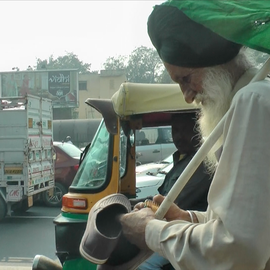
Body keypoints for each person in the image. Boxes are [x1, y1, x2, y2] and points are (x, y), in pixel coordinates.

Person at [119, 2, 270, 270]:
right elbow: (247, 225)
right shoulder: (250, 101)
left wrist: (150, 232)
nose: (188, 96)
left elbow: (238, 251)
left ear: (210, 59)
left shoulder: (253, 101)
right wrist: (187, 218)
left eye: (186, 79)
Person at [138, 112, 213, 270]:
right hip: (171, 227)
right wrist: (139, 203)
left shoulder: (203, 163)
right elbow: (160, 196)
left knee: (141, 265)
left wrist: (145, 208)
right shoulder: (182, 159)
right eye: (174, 131)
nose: (178, 136)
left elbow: (172, 203)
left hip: (184, 233)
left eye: (183, 130)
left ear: (197, 130)